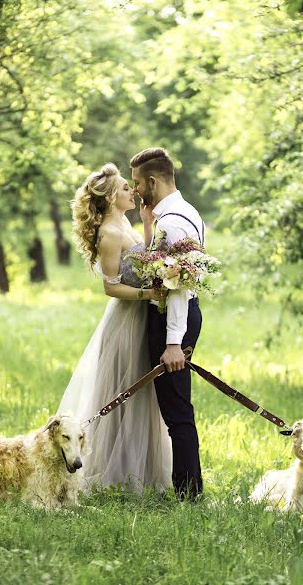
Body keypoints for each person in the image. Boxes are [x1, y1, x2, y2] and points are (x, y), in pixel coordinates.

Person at [58, 163, 172, 493]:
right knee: (123, 392)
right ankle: (114, 475)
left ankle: (144, 472)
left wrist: (148, 224)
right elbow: (111, 286)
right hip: (125, 321)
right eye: (125, 187)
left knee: (144, 393)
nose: (132, 191)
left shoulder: (126, 221)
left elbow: (146, 257)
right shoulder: (109, 233)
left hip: (142, 317)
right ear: (110, 197)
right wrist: (149, 294)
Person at [131, 147, 205, 501]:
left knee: (178, 413)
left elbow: (178, 286)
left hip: (174, 320)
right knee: (177, 408)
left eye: (136, 184)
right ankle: (186, 489)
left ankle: (190, 495)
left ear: (152, 181)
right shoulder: (184, 211)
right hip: (183, 315)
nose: (134, 192)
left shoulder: (173, 222)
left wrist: (173, 343)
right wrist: (147, 225)